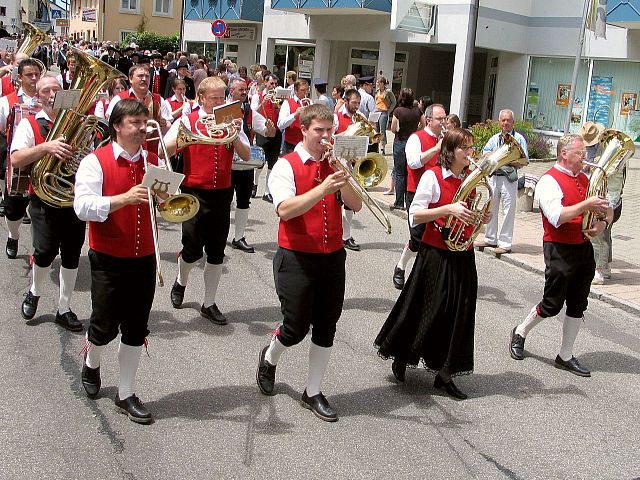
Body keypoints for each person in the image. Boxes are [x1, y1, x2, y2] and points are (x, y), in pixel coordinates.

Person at [256, 103, 362, 422]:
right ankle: (271, 356)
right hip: (296, 257)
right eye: (319, 130)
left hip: (332, 257)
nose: (326, 137)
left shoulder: (336, 165)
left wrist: (344, 179)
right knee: (295, 326)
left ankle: (313, 391)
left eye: (331, 131)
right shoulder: (286, 166)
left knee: (327, 325)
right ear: (303, 130)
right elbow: (286, 209)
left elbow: (355, 205)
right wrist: (323, 188)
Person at [374, 128, 489, 400]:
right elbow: (415, 215)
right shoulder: (433, 177)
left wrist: (482, 218)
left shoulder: (472, 181)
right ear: (450, 152)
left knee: (460, 311)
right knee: (426, 307)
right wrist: (447, 209)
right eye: (465, 148)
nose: (470, 153)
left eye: (471, 148)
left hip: (463, 253)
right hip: (435, 254)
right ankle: (403, 355)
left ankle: (446, 373)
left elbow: (473, 218)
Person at [74, 99, 159, 424]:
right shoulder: (96, 162)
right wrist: (123, 199)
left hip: (144, 256)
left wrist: (162, 201)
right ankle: (92, 362)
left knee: (136, 327)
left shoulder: (151, 161)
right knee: (104, 324)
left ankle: (126, 393)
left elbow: (157, 206)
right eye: (135, 123)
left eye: (144, 122)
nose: (142, 128)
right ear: (117, 127)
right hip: (108, 256)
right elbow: (82, 207)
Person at [509, 134, 611, 377]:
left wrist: (603, 224)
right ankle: (521, 331)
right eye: (580, 153)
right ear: (564, 154)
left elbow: (608, 210)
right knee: (552, 304)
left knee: (578, 302)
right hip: (559, 247)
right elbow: (557, 216)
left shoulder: (586, 179)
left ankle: (565, 355)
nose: (585, 157)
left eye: (585, 153)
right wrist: (587, 205)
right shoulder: (549, 181)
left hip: (583, 247)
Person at [163, 77, 251, 325]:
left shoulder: (230, 120)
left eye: (223, 97)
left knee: (216, 252)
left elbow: (245, 155)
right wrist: (184, 138)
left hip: (222, 193)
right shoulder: (186, 120)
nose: (220, 102)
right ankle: (181, 280)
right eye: (215, 98)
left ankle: (209, 303)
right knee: (191, 251)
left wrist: (234, 133)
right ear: (201, 98)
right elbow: (163, 150)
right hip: (193, 192)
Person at [11, 76, 85, 331]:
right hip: (43, 197)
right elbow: (17, 159)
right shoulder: (30, 124)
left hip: (74, 198)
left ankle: (64, 308)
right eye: (46, 91)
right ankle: (34, 291)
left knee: (73, 254)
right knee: (44, 251)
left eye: (57, 90)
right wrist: (46, 147)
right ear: (38, 97)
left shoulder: (78, 123)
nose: (52, 94)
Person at [392, 103, 446, 290]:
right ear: (428, 120)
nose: (443, 122)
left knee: (436, 237)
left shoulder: (445, 138)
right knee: (417, 238)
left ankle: (426, 278)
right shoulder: (416, 138)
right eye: (440, 119)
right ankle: (401, 266)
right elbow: (414, 163)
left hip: (439, 192)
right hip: (417, 191)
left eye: (444, 118)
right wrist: (436, 149)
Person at [0, 57, 41, 258]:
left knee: (41, 211)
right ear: (20, 78)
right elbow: (2, 128)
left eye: (37, 75)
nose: (34, 79)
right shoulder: (8, 101)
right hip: (19, 162)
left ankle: (38, 251)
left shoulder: (48, 100)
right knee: (13, 210)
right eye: (29, 75)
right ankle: (13, 235)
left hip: (44, 163)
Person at [228, 77, 275, 253]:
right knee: (224, 202)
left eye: (245, 90)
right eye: (241, 90)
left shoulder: (249, 111)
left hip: (244, 164)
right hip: (226, 164)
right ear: (231, 91)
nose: (244, 92)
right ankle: (219, 236)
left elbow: (267, 131)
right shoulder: (222, 109)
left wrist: (270, 129)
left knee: (243, 201)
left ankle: (238, 237)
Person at [474, 109, 528, 255]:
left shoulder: (520, 139)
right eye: (502, 120)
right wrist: (494, 155)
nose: (505, 122)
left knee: (508, 210)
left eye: (508, 120)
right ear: (499, 122)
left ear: (513, 122)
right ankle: (490, 238)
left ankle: (505, 243)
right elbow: (485, 153)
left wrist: (508, 160)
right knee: (490, 208)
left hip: (509, 178)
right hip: (494, 176)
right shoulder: (494, 138)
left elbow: (524, 161)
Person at [581, 123, 625, 285]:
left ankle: (600, 270)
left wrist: (594, 164)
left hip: (610, 200)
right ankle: (605, 267)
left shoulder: (617, 154)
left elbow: (609, 171)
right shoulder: (600, 152)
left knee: (600, 236)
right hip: (604, 197)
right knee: (605, 234)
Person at [334, 89, 363, 252]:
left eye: (358, 103)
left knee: (351, 200)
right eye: (354, 103)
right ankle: (338, 234)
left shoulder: (359, 117)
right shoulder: (337, 117)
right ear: (346, 101)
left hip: (353, 162)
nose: (357, 106)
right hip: (339, 162)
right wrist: (350, 133)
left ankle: (346, 235)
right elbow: (331, 138)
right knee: (336, 200)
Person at [389, 88, 422, 209]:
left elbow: (393, 128)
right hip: (413, 141)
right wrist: (415, 131)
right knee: (410, 171)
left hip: (400, 141)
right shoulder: (417, 111)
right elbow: (423, 124)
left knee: (399, 173)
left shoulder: (398, 111)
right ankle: (409, 202)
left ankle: (398, 202)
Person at [251, 73, 281, 202]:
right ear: (265, 83)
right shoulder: (257, 96)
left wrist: (278, 106)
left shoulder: (278, 98)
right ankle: (255, 184)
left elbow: (281, 115)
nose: (273, 86)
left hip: (276, 131)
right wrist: (263, 101)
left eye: (275, 84)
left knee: (272, 162)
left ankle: (267, 191)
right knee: (260, 161)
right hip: (263, 131)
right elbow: (252, 112)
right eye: (271, 83)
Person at [278, 79, 310, 155]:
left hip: (306, 145)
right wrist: (295, 115)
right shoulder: (287, 103)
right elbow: (280, 124)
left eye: (307, 90)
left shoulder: (309, 103)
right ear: (295, 91)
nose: (306, 92)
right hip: (291, 145)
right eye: (303, 90)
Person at [374, 76, 396, 156]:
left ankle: (382, 147)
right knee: (376, 129)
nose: (377, 84)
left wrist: (389, 111)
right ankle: (376, 146)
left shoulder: (388, 92)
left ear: (382, 83)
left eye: (378, 82)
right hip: (377, 111)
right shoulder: (377, 91)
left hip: (384, 112)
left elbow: (394, 102)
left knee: (382, 130)